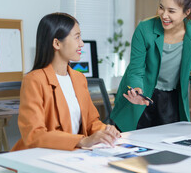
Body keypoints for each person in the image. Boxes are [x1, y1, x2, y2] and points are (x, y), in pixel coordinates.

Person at [111, 0, 191, 132]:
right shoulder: (145, 28)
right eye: (161, 8)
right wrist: (137, 91)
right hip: (142, 96)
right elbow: (136, 70)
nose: (164, 15)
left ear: (187, 12)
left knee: (170, 149)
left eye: (171, 11)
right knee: (133, 149)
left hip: (171, 98)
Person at [12, 13, 120, 151]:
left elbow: (91, 123)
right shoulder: (34, 80)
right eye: (77, 37)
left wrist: (106, 130)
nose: (81, 43)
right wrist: (83, 140)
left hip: (71, 155)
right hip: (42, 156)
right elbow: (34, 135)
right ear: (57, 43)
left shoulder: (79, 78)